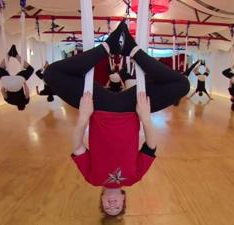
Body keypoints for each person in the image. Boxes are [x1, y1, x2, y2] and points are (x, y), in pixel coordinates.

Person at [44, 21, 189, 217]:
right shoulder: (133, 178)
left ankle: (107, 47)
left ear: (102, 200)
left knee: (52, 74)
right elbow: (151, 147)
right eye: (117, 207)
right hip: (132, 109)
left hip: (98, 107)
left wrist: (83, 117)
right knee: (181, 85)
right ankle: (132, 50)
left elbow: (77, 147)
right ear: (123, 200)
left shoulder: (92, 178)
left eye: (108, 207)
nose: (112, 205)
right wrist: (146, 118)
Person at [0, 45, 34, 110]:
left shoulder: (25, 102)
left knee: (30, 69)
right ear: (17, 106)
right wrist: (5, 84)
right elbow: (2, 90)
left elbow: (27, 91)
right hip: (7, 83)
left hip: (18, 83)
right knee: (0, 69)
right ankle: (9, 54)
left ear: (24, 106)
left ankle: (16, 55)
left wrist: (24, 83)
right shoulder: (9, 102)